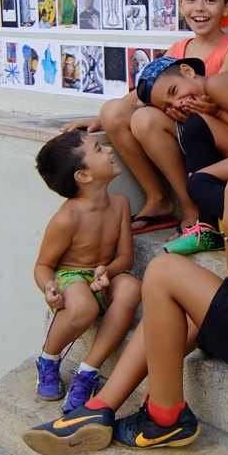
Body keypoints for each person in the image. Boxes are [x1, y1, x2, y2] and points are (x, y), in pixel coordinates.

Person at [22, 90, 228, 455]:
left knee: (163, 272)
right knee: (167, 305)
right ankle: (97, 410)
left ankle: (166, 416)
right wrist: (166, 363)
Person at [61, 0, 228, 235]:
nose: (200, 8)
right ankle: (159, 199)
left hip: (213, 132)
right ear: (181, 5)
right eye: (191, 0)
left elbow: (225, 96)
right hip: (182, 124)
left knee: (146, 118)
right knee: (114, 111)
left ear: (225, 8)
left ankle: (192, 208)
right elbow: (150, 89)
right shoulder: (179, 48)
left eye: (211, 0)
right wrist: (99, 117)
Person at [32, 131, 143, 414]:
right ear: (83, 176)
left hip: (103, 277)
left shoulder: (119, 203)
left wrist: (110, 270)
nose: (107, 149)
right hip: (72, 277)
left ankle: (88, 372)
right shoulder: (67, 218)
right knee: (84, 305)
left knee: (131, 287)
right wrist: (49, 288)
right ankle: (48, 357)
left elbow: (125, 257)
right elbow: (43, 265)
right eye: (98, 149)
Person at [133, 59, 228, 254]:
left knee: (198, 181)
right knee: (196, 126)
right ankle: (208, 228)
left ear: (188, 71)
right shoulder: (209, 99)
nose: (177, 104)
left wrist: (218, 112)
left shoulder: (217, 84)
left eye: (174, 91)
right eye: (167, 107)